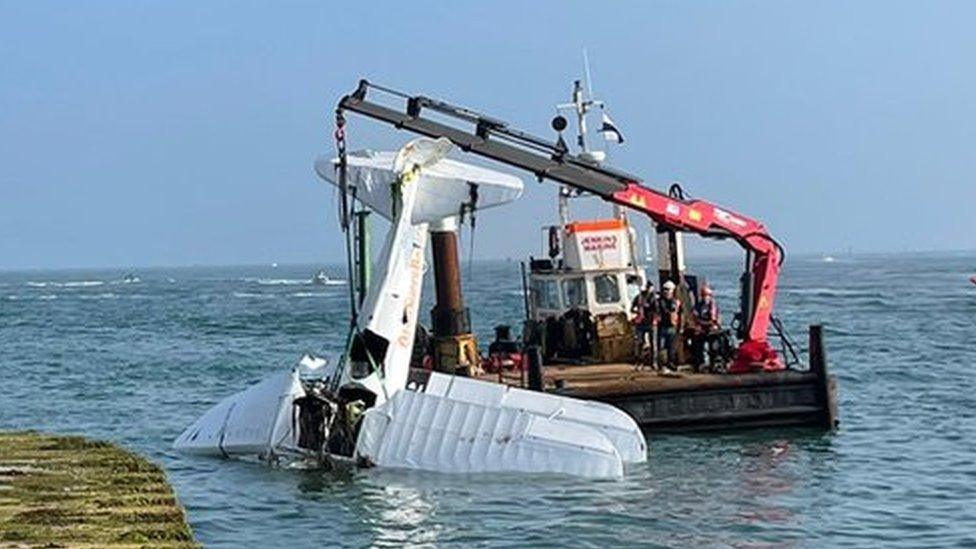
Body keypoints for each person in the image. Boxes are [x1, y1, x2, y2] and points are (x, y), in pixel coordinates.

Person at [690, 285, 720, 371]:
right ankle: (699, 364)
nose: (705, 297)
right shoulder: (698, 305)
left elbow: (715, 318)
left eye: (707, 295)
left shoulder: (713, 305)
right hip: (702, 328)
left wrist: (713, 324)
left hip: (711, 329)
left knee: (714, 348)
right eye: (704, 295)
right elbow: (695, 316)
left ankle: (713, 364)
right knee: (697, 346)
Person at [657, 280, 682, 372]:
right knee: (662, 348)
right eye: (664, 290)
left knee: (671, 347)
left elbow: (679, 313)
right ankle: (662, 365)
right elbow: (663, 311)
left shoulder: (675, 302)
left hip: (672, 327)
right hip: (663, 327)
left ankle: (671, 364)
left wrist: (680, 326)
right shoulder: (660, 301)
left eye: (668, 290)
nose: (666, 292)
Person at [630, 280, 656, 367]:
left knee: (653, 343)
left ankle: (653, 362)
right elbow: (632, 308)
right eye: (648, 287)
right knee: (639, 342)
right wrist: (637, 311)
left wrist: (648, 308)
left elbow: (657, 309)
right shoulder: (639, 297)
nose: (650, 289)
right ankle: (639, 361)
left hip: (651, 322)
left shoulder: (654, 298)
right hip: (641, 322)